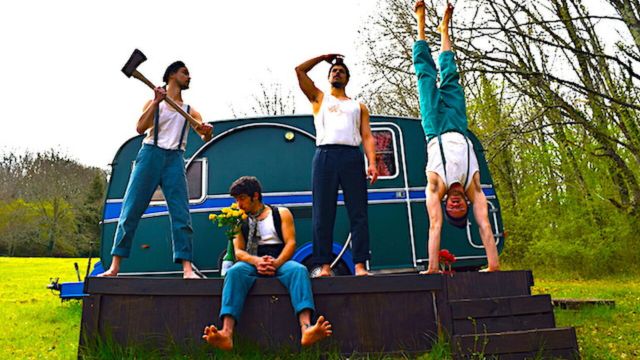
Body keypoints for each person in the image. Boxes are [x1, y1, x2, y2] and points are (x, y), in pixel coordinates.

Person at [98, 61, 213, 278]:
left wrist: (207, 131)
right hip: (150, 154)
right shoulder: (155, 103)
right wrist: (155, 102)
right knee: (131, 209)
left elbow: (205, 136)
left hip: (175, 159)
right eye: (184, 73)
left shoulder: (190, 111)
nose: (189, 77)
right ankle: (114, 267)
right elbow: (140, 128)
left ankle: (187, 269)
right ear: (172, 75)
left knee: (181, 214)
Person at [413, 1, 500, 273]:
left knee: (425, 76)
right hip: (459, 125)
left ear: (446, 206)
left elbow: (435, 225)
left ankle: (420, 23)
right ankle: (444, 29)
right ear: (466, 204)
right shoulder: (474, 188)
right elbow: (485, 224)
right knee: (451, 76)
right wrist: (493, 264)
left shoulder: (435, 188)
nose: (455, 204)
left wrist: (432, 267)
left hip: (435, 126)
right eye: (460, 207)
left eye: (453, 208)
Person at [202, 176, 332, 350]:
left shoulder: (281, 213)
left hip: (279, 258)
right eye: (236, 200)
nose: (239, 204)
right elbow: (238, 251)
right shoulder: (239, 220)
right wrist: (256, 261)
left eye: (242, 199)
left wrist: (276, 263)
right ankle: (226, 332)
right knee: (234, 272)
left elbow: (291, 243)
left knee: (299, 271)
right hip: (252, 260)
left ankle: (306, 329)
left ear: (255, 196)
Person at [295, 54, 378, 276]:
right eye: (334, 71)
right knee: (323, 212)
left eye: (341, 71)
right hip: (325, 155)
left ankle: (360, 265)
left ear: (347, 78)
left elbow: (367, 135)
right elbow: (299, 70)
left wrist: (372, 162)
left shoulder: (358, 106)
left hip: (351, 155)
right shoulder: (319, 99)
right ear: (328, 77)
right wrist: (323, 57)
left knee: (358, 212)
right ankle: (324, 266)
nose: (337, 73)